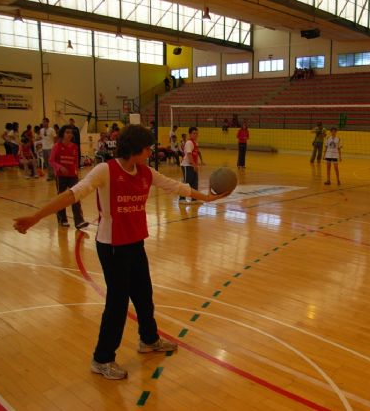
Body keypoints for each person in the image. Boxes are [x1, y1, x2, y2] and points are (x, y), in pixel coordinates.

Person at [13, 124, 229, 380]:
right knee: (117, 304)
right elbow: (72, 194)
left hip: (136, 243)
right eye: (147, 147)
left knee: (144, 295)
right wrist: (36, 217)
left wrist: (207, 198)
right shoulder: (106, 170)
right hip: (112, 247)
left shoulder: (145, 172)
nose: (151, 151)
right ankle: (101, 358)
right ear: (135, 149)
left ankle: (148, 340)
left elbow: (175, 186)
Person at [49, 125, 88, 229]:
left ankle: (79, 221)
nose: (69, 134)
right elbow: (51, 161)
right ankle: (62, 219)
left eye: (71, 132)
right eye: (67, 132)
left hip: (72, 176)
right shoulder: (57, 146)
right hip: (60, 176)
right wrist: (60, 167)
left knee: (76, 197)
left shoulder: (75, 147)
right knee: (61, 198)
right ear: (62, 134)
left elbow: (75, 162)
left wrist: (76, 173)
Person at [179, 127, 201, 204]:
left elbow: (195, 155)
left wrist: (197, 164)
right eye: (194, 133)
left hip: (193, 165)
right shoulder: (189, 143)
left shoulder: (195, 143)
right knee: (186, 182)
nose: (196, 135)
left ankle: (194, 199)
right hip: (187, 165)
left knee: (194, 182)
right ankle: (181, 198)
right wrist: (193, 165)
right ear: (190, 134)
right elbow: (189, 154)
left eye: (197, 133)